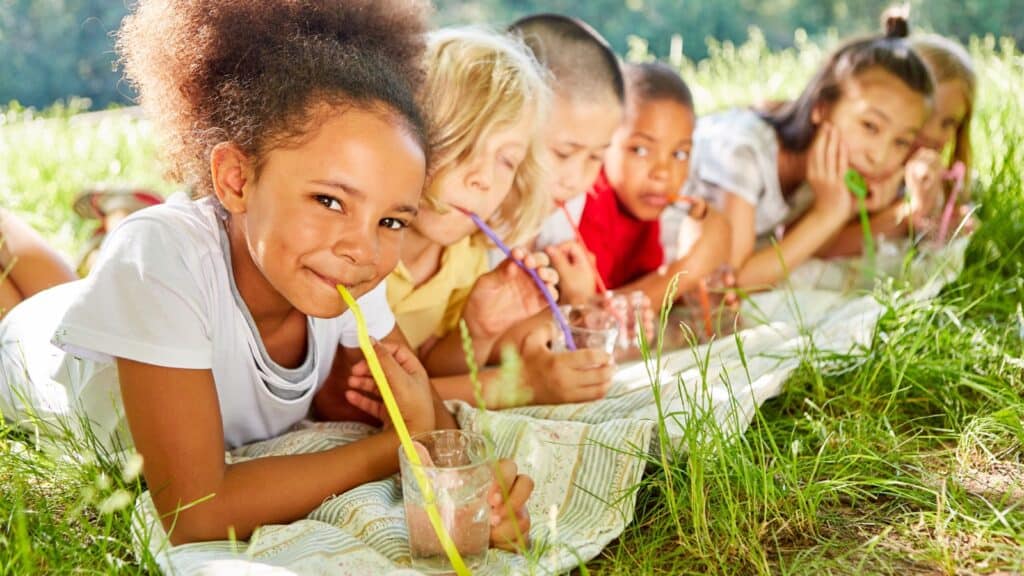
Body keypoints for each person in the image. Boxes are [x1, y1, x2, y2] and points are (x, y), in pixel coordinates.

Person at [0, 0, 530, 550]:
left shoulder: (342, 273)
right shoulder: (161, 252)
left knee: (64, 285)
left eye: (391, 219)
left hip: (105, 311)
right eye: (329, 200)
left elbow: (429, 423)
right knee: (22, 304)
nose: (363, 247)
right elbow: (195, 513)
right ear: (235, 180)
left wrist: (477, 493)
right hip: (28, 356)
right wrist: (393, 448)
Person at [378, 27, 616, 406]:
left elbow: (431, 365)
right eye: (465, 143)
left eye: (506, 160)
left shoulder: (464, 255)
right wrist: (522, 385)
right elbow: (369, 397)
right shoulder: (363, 245)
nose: (483, 179)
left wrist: (478, 329)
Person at [683, 15, 935, 289]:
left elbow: (815, 248)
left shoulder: (825, 170)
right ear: (821, 107)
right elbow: (731, 280)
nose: (880, 156)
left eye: (901, 141)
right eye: (870, 126)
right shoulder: (744, 152)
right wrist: (828, 214)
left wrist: (848, 208)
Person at [577, 62, 731, 306]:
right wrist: (687, 270)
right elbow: (591, 316)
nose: (663, 172)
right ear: (603, 141)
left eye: (679, 154)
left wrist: (693, 294)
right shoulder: (588, 202)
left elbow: (642, 290)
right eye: (640, 150)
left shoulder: (644, 205)